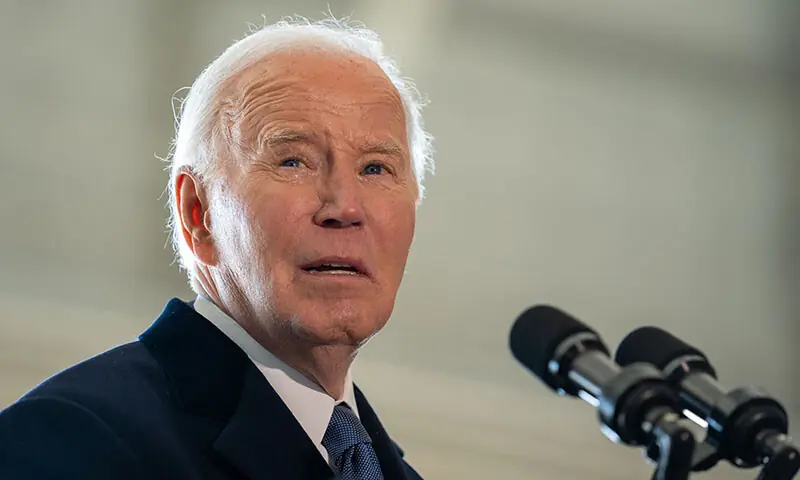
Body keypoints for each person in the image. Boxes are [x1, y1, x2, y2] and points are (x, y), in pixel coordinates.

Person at [0, 16, 434, 480]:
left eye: (376, 169)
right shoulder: (74, 439)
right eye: (293, 161)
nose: (344, 207)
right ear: (198, 214)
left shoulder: (388, 471)